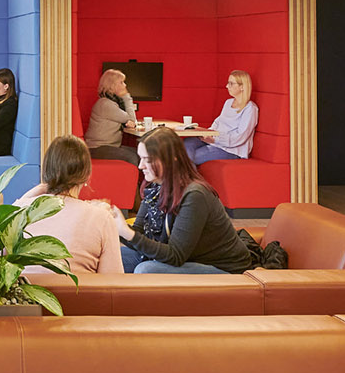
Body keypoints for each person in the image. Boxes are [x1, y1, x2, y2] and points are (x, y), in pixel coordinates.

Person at [117, 127, 254, 275]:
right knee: (110, 255)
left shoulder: (194, 195)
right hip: (187, 259)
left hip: (222, 268)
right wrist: (112, 225)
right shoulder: (155, 187)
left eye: (148, 160)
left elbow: (175, 255)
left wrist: (127, 233)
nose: (140, 166)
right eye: (141, 158)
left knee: (146, 270)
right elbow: (139, 233)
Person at [14, 136, 123, 274]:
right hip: (78, 288)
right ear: (87, 175)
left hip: (24, 288)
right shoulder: (102, 219)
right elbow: (112, 280)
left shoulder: (19, 211)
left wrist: (27, 197)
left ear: (45, 170)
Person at [183, 69, 259, 165]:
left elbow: (240, 137)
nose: (227, 86)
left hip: (231, 150)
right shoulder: (228, 103)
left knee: (190, 157)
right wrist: (207, 134)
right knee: (187, 142)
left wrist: (215, 139)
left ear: (242, 87)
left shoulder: (250, 108)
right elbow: (218, 122)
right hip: (215, 141)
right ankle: (188, 173)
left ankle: (186, 172)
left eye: (231, 83)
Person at [85, 68, 139, 166]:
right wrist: (126, 97)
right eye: (121, 82)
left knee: (139, 153)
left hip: (107, 146)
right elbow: (132, 119)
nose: (125, 85)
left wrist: (129, 121)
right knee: (133, 157)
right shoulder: (106, 104)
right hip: (97, 148)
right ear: (112, 85)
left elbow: (129, 120)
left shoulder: (108, 102)